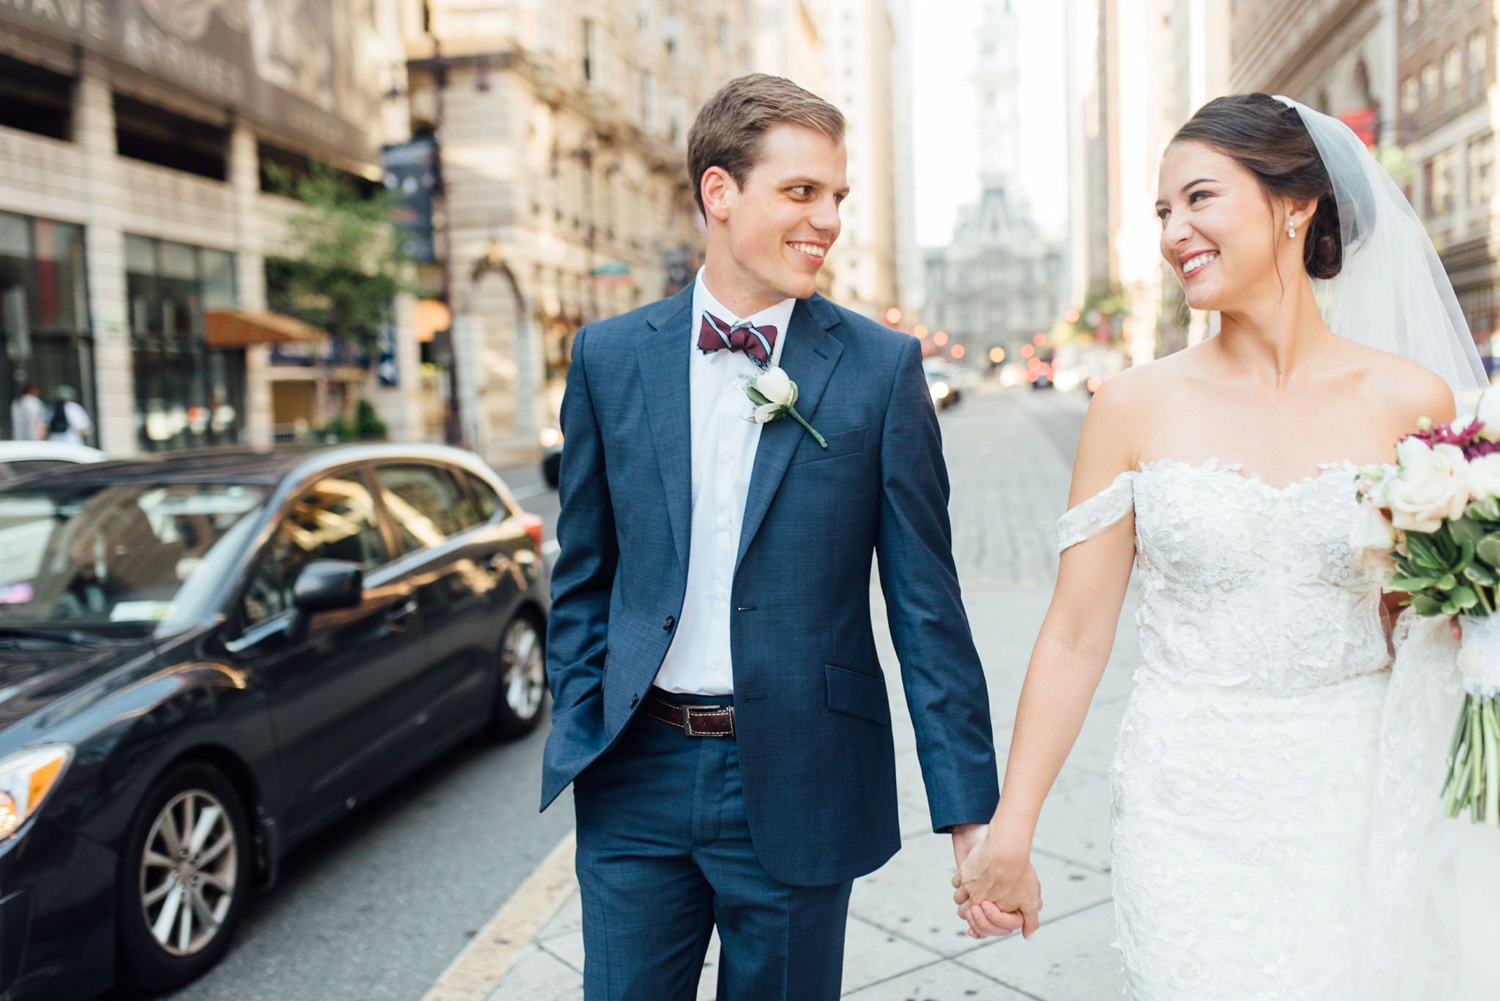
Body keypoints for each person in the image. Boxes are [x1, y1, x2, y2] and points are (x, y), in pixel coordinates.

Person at [954, 94, 1498, 1000]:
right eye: (1163, 212)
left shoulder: (1413, 401)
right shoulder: (1131, 405)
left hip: (1359, 790)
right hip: (1187, 801)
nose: (1175, 232)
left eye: (1200, 199)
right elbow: (1075, 634)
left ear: (1296, 205)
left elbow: (1425, 626)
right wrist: (1013, 828)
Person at [541, 73, 1005, 1000]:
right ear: (720, 192)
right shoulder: (609, 357)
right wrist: (584, 709)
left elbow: (926, 605)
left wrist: (970, 812)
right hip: (637, 773)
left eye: (837, 197)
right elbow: (584, 572)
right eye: (802, 193)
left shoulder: (880, 369)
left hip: (802, 776)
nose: (828, 219)